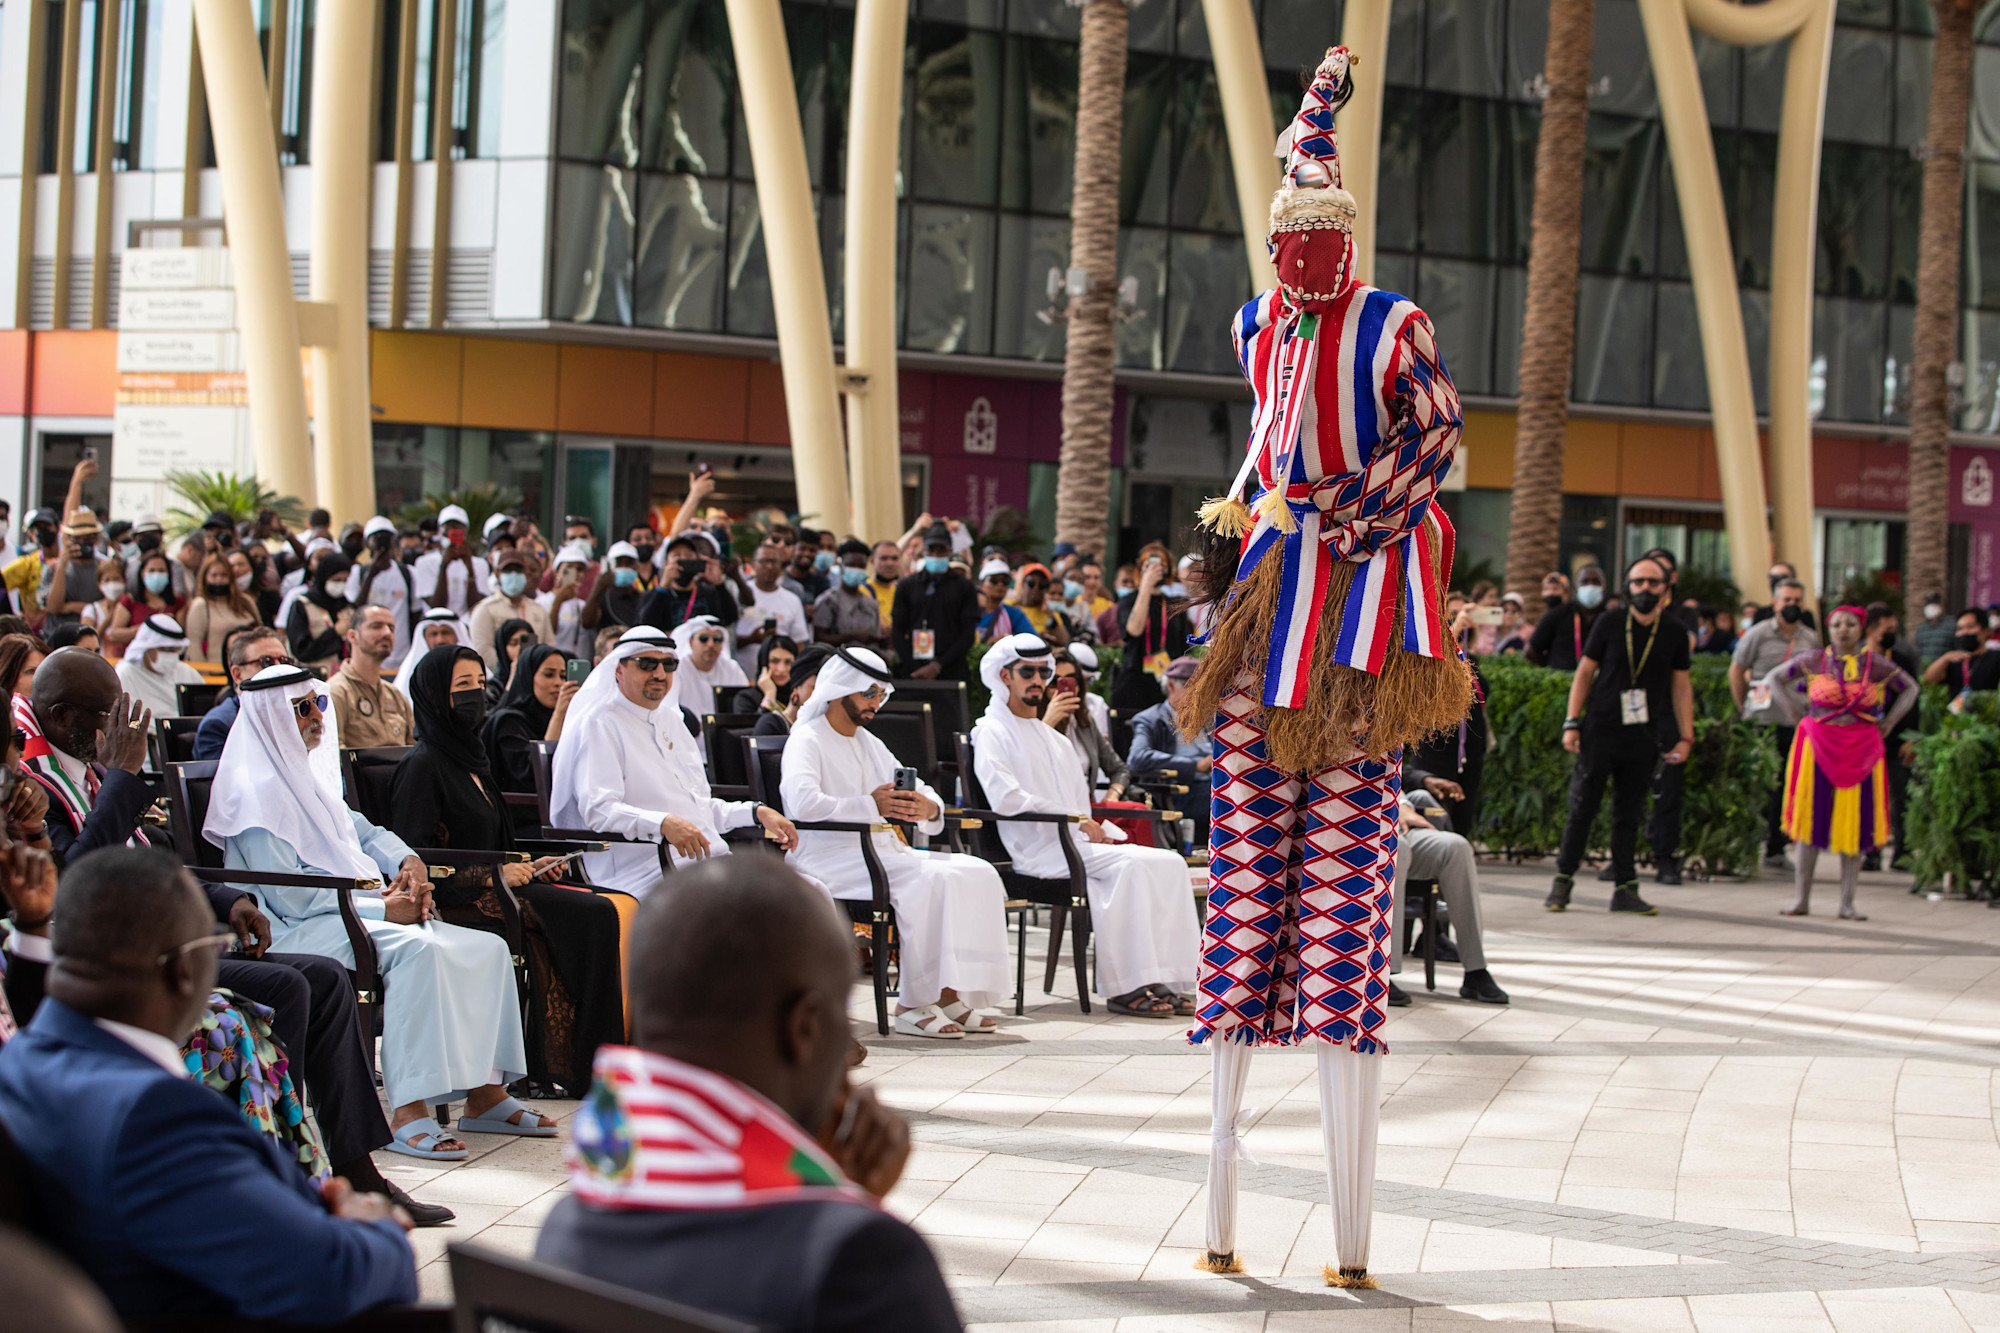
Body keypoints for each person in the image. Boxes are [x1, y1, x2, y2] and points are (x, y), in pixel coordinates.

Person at [535, 857, 960, 1333]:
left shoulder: (571, 1221)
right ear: (806, 1027)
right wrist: (850, 1214)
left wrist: (822, 1196)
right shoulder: (861, 1262)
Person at [0, 847, 420, 1324]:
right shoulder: (157, 1117)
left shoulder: (22, 1057)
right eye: (214, 948)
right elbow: (326, 1279)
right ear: (184, 970)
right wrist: (378, 1230)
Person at [209, 663, 553, 1159]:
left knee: (487, 947)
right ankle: (407, 1113)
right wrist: (384, 908)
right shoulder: (252, 793)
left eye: (318, 704)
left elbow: (365, 833)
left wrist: (408, 860)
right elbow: (291, 897)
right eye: (300, 708)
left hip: (351, 911)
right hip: (294, 930)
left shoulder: (307, 776)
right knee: (419, 954)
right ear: (267, 718)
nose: (314, 717)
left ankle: (485, 1095)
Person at [390, 646, 628, 1094]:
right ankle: (583, 1069)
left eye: (480, 685)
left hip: (501, 887)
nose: (476, 696)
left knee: (608, 906)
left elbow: (495, 843)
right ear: (435, 695)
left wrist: (527, 865)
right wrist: (492, 875)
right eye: (462, 687)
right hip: (457, 897)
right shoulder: (422, 766)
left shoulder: (472, 761)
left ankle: (597, 1061)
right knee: (591, 917)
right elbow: (411, 856)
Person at [781, 647, 1010, 1039]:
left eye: (881, 695)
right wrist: (868, 805)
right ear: (840, 690)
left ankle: (950, 996)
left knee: (978, 872)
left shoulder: (869, 742)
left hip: (882, 852)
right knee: (929, 881)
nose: (875, 703)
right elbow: (801, 803)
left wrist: (930, 808)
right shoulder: (807, 738)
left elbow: (916, 785)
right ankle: (913, 1003)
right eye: (868, 694)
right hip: (828, 857)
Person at [971, 635, 1198, 1018]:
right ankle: (1126, 987)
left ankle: (1167, 978)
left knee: (1169, 862)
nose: (1038, 680)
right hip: (1038, 853)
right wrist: (1075, 820)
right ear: (1004, 675)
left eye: (1044, 672)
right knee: (1129, 868)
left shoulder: (1054, 740)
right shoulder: (990, 730)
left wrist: (1096, 829)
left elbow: (1079, 804)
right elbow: (1006, 800)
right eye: (1028, 672)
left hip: (1075, 845)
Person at [551, 626, 798, 898]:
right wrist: (662, 824)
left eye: (668, 665)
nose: (659, 674)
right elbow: (599, 810)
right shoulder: (599, 724)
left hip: (706, 861)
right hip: (643, 870)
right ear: (618, 670)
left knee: (809, 890)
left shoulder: (670, 721)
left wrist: (754, 812)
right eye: (647, 664)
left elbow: (698, 808)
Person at [1544, 556, 1692, 915]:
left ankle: (1625, 888)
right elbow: (1584, 673)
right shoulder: (1611, 622)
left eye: (1652, 583)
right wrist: (1571, 722)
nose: (1644, 589)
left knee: (1630, 812)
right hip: (1600, 729)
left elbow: (1682, 687)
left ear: (1665, 588)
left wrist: (1686, 737)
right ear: (1628, 587)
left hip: (1644, 734)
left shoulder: (1674, 631)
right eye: (1638, 582)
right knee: (1583, 806)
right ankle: (1563, 881)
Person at [1763, 606, 1916, 920]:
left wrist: (1889, 723)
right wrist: (1793, 713)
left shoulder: (1875, 665)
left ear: (1861, 629)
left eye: (1850, 624)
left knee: (1854, 824)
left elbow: (1911, 689)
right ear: (1827, 628)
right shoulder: (1814, 660)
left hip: (1862, 746)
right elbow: (1774, 679)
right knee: (1809, 820)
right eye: (1836, 624)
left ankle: (1847, 903)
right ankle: (1800, 899)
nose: (1842, 629)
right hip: (1818, 744)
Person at [1731, 577, 1819, 871]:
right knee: (1757, 786)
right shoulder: (1757, 634)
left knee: (1785, 786)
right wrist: (1742, 706)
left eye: (1797, 600)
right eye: (1787, 600)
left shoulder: (1809, 638)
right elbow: (1737, 670)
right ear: (1775, 603)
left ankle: (1776, 848)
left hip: (1795, 724)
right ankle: (1744, 845)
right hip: (1761, 722)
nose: (1792, 605)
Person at [1388, 796, 1508, 1004]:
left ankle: (1475, 969)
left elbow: (1402, 771)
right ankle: (1383, 975)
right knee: (1398, 849)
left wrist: (1403, 804)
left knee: (1456, 847)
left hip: (1398, 812)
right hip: (1361, 823)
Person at [480, 643, 579, 831]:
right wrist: (558, 715)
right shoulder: (509, 721)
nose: (558, 683)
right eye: (549, 675)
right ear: (528, 676)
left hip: (562, 816)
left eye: (563, 676)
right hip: (521, 823)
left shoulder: (568, 719)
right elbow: (534, 778)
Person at [1862, 603, 1919, 872]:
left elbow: (1913, 699)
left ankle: (1902, 852)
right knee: (1869, 797)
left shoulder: (1900, 660)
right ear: (1872, 630)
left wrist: (1911, 738)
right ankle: (1870, 852)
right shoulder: (1858, 660)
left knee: (1900, 795)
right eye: (1887, 630)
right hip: (1864, 740)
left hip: (1896, 740)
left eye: (1895, 629)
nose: (1892, 634)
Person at [891, 523, 979, 682]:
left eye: (941, 550)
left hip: (952, 671)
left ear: (950, 551)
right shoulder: (907, 586)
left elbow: (968, 634)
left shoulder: (964, 587)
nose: (936, 554)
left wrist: (938, 665)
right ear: (923, 551)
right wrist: (916, 668)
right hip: (913, 673)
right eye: (931, 549)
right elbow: (897, 631)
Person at [1110, 543, 1188, 712]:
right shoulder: (1127, 601)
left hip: (1167, 684)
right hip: (1133, 684)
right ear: (1140, 570)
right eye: (1149, 565)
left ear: (1167, 570)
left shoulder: (1176, 605)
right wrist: (1145, 586)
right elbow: (1133, 630)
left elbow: (1184, 646)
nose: (1155, 569)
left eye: (1161, 565)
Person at [328, 605, 417, 749]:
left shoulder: (395, 695)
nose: (386, 633)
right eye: (376, 626)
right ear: (352, 635)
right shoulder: (336, 692)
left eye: (391, 628)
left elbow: (414, 749)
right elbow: (333, 753)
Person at [1050, 646, 1130, 803]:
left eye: (1072, 680)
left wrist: (1112, 795)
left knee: (1141, 817)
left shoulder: (1084, 721)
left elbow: (1119, 769)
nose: (1064, 689)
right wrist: (1048, 723)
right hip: (1052, 812)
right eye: (1055, 682)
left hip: (1087, 809)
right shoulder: (1036, 723)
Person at [345, 516, 419, 670]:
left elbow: (415, 612)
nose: (382, 542)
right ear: (367, 543)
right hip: (368, 657)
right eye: (376, 538)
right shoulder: (358, 573)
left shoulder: (408, 573)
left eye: (387, 538)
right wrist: (371, 574)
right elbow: (355, 609)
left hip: (402, 658)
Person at [468, 548, 554, 672]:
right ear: (497, 573)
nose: (513, 574)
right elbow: (484, 650)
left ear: (525, 573)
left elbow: (548, 645)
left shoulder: (538, 610)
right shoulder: (485, 609)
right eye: (508, 570)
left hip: (535, 677)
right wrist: (509, 672)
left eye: (518, 570)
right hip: (501, 681)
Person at [734, 542, 812, 678]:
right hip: (742, 676)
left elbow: (799, 643)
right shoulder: (738, 592)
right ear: (753, 564)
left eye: (774, 562)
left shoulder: (792, 600)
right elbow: (726, 639)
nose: (769, 567)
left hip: (780, 679)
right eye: (764, 561)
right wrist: (751, 639)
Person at [639, 534, 741, 635]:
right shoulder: (654, 595)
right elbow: (645, 625)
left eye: (689, 555)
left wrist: (719, 584)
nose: (683, 559)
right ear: (666, 564)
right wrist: (663, 586)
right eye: (677, 555)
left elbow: (730, 618)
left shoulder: (709, 594)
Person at [114, 614, 202, 723]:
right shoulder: (126, 673)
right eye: (165, 649)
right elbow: (127, 718)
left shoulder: (188, 673)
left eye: (175, 649)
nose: (171, 654)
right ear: (147, 647)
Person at [665, 613, 748, 720]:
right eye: (704, 639)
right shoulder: (677, 669)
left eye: (717, 639)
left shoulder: (731, 668)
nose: (711, 644)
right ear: (691, 642)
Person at [412, 503, 491, 616]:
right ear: (440, 531)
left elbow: (476, 608)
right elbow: (436, 607)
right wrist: (444, 567)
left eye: (457, 527)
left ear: (466, 532)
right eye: (447, 527)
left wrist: (470, 571)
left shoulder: (480, 564)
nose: (451, 530)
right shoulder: (424, 563)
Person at [1526, 565, 1607, 671]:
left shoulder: (1609, 617)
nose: (1590, 586)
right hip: (1562, 681)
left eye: (1595, 581)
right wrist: (1552, 667)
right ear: (1576, 586)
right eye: (1585, 582)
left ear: (1604, 586)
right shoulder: (1557, 614)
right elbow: (1532, 651)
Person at [812, 540, 889, 651]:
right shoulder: (828, 601)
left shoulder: (871, 604)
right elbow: (819, 638)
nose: (856, 569)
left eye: (861, 566)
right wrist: (853, 637)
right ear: (841, 565)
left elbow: (876, 639)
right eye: (851, 565)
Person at [182, 553, 260, 662]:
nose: (219, 579)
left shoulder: (245, 601)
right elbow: (193, 646)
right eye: (214, 575)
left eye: (224, 575)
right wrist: (203, 675)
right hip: (216, 672)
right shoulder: (200, 606)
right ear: (205, 577)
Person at [39, 507, 104, 633]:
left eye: (88, 538)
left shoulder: (103, 567)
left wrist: (71, 607)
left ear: (96, 538)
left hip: (89, 636)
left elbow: (108, 606)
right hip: (57, 635)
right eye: (79, 538)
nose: (84, 542)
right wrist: (62, 565)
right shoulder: (54, 567)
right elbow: (53, 607)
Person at [285, 553, 352, 676]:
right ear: (324, 577)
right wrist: (334, 632)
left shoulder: (347, 607)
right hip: (314, 677)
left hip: (345, 676)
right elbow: (301, 651)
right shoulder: (303, 605)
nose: (341, 585)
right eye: (336, 580)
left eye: (345, 580)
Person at [754, 643, 833, 738]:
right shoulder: (772, 725)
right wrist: (769, 695)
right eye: (815, 688)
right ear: (796, 688)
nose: (823, 696)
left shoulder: (829, 729)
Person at [392, 606, 473, 697]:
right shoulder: (410, 672)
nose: (440, 640)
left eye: (445, 633)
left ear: (457, 635)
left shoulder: (473, 667)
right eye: (433, 634)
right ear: (424, 638)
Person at [1921, 608, 2000, 691]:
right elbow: (1929, 679)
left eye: (1970, 627)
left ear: (1985, 631)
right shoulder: (1954, 660)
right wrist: (1945, 658)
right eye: (1960, 628)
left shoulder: (1996, 658)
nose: (1964, 632)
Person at [540, 542, 597, 658]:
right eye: (569, 568)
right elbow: (547, 634)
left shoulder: (583, 606)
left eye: (580, 569)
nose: (576, 574)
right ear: (556, 572)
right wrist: (558, 601)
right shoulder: (542, 602)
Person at [579, 540, 647, 632]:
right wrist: (598, 587)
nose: (623, 567)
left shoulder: (643, 598)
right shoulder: (602, 597)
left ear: (636, 567)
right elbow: (587, 623)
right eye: (618, 563)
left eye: (628, 563)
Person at [735, 634, 798, 717]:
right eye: (775, 661)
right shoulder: (746, 699)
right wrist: (769, 696)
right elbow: (758, 729)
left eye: (788, 662)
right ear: (763, 663)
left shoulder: (799, 697)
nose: (781, 669)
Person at [485, 617, 539, 706]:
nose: (519, 648)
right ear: (502, 648)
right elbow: (496, 716)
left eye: (524, 643)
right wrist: (513, 678)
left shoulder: (541, 680)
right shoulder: (493, 688)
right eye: (514, 643)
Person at [975, 561, 1032, 642]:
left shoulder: (1014, 614)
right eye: (994, 580)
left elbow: (1031, 640)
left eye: (1005, 581)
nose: (1000, 584)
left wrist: (1009, 640)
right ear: (981, 583)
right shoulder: (966, 611)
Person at [1912, 592, 1955, 663]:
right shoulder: (1922, 628)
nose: (1932, 606)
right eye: (1929, 603)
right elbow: (1918, 651)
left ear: (1941, 605)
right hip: (1926, 669)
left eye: (1935, 603)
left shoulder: (1951, 624)